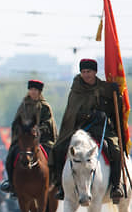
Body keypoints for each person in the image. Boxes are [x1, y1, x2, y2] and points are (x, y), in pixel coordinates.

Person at [49, 59, 125, 203]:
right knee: (59, 148)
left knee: (115, 149)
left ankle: (116, 186)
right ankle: (60, 185)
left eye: (88, 72)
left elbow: (115, 109)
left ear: (95, 72)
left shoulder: (105, 88)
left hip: (102, 128)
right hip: (80, 128)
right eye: (83, 72)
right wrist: (87, 115)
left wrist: (117, 94)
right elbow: (72, 113)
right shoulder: (76, 90)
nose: (86, 75)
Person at [0, 80, 57, 199]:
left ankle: (56, 182)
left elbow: (48, 124)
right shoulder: (23, 105)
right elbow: (15, 123)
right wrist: (21, 129)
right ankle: (12, 184)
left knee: (54, 156)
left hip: (42, 140)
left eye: (35, 90)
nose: (33, 92)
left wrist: (38, 129)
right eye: (31, 90)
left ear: (39, 92)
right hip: (25, 141)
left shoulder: (45, 107)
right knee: (11, 157)